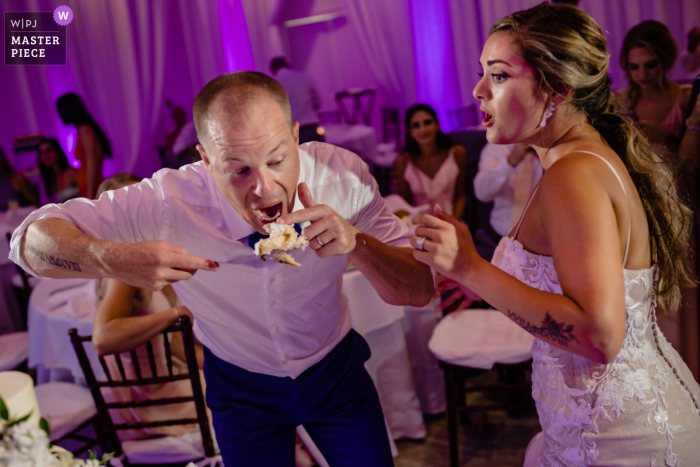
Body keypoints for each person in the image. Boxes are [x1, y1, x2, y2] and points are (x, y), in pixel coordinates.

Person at [10, 71, 433, 466]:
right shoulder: (167, 200)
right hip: (240, 390)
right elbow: (28, 240)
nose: (264, 187)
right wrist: (113, 258)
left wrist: (356, 242)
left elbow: (418, 291)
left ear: (295, 135)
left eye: (277, 159)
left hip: (336, 374)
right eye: (240, 170)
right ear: (206, 160)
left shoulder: (342, 178)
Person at [412, 4, 700, 465]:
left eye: (500, 76)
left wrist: (469, 267)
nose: (479, 90)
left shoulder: (574, 174)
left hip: (619, 441)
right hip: (595, 426)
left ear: (557, 89)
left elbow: (600, 337)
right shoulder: (571, 161)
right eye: (483, 73)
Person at [614, 20, 700, 164]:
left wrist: (666, 138)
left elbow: (692, 165)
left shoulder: (686, 98)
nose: (642, 75)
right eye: (634, 67)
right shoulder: (616, 101)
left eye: (650, 65)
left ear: (665, 59)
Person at [394, 104, 468, 221]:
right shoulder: (403, 162)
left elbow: (461, 194)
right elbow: (406, 204)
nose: (423, 129)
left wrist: (454, 224)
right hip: (420, 226)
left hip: (453, 221)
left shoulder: (457, 153)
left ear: (437, 125)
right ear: (410, 132)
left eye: (427, 122)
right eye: (416, 125)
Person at [473, 143, 543, 260]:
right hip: (495, 239)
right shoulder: (495, 147)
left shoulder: (553, 151)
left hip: (538, 246)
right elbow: (481, 193)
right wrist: (509, 162)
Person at [56, 92, 112, 199]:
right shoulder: (83, 130)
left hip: (92, 187)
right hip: (88, 186)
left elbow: (92, 163)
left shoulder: (84, 130)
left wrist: (90, 194)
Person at [271, 57, 323, 144]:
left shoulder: (273, 84)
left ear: (273, 70)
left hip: (290, 133)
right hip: (311, 128)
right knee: (318, 157)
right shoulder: (304, 76)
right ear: (288, 65)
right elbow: (318, 102)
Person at [37, 138, 79, 204]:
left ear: (58, 152)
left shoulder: (71, 173)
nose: (45, 156)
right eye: (41, 153)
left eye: (48, 151)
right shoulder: (52, 178)